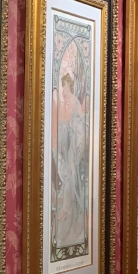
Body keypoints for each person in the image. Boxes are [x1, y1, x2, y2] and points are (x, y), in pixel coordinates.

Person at [54, 72, 88, 248]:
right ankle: (67, 205)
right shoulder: (66, 103)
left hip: (76, 143)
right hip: (71, 143)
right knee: (65, 171)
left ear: (69, 85)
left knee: (70, 172)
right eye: (61, 87)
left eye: (64, 86)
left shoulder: (73, 102)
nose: (62, 90)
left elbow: (78, 127)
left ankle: (67, 209)